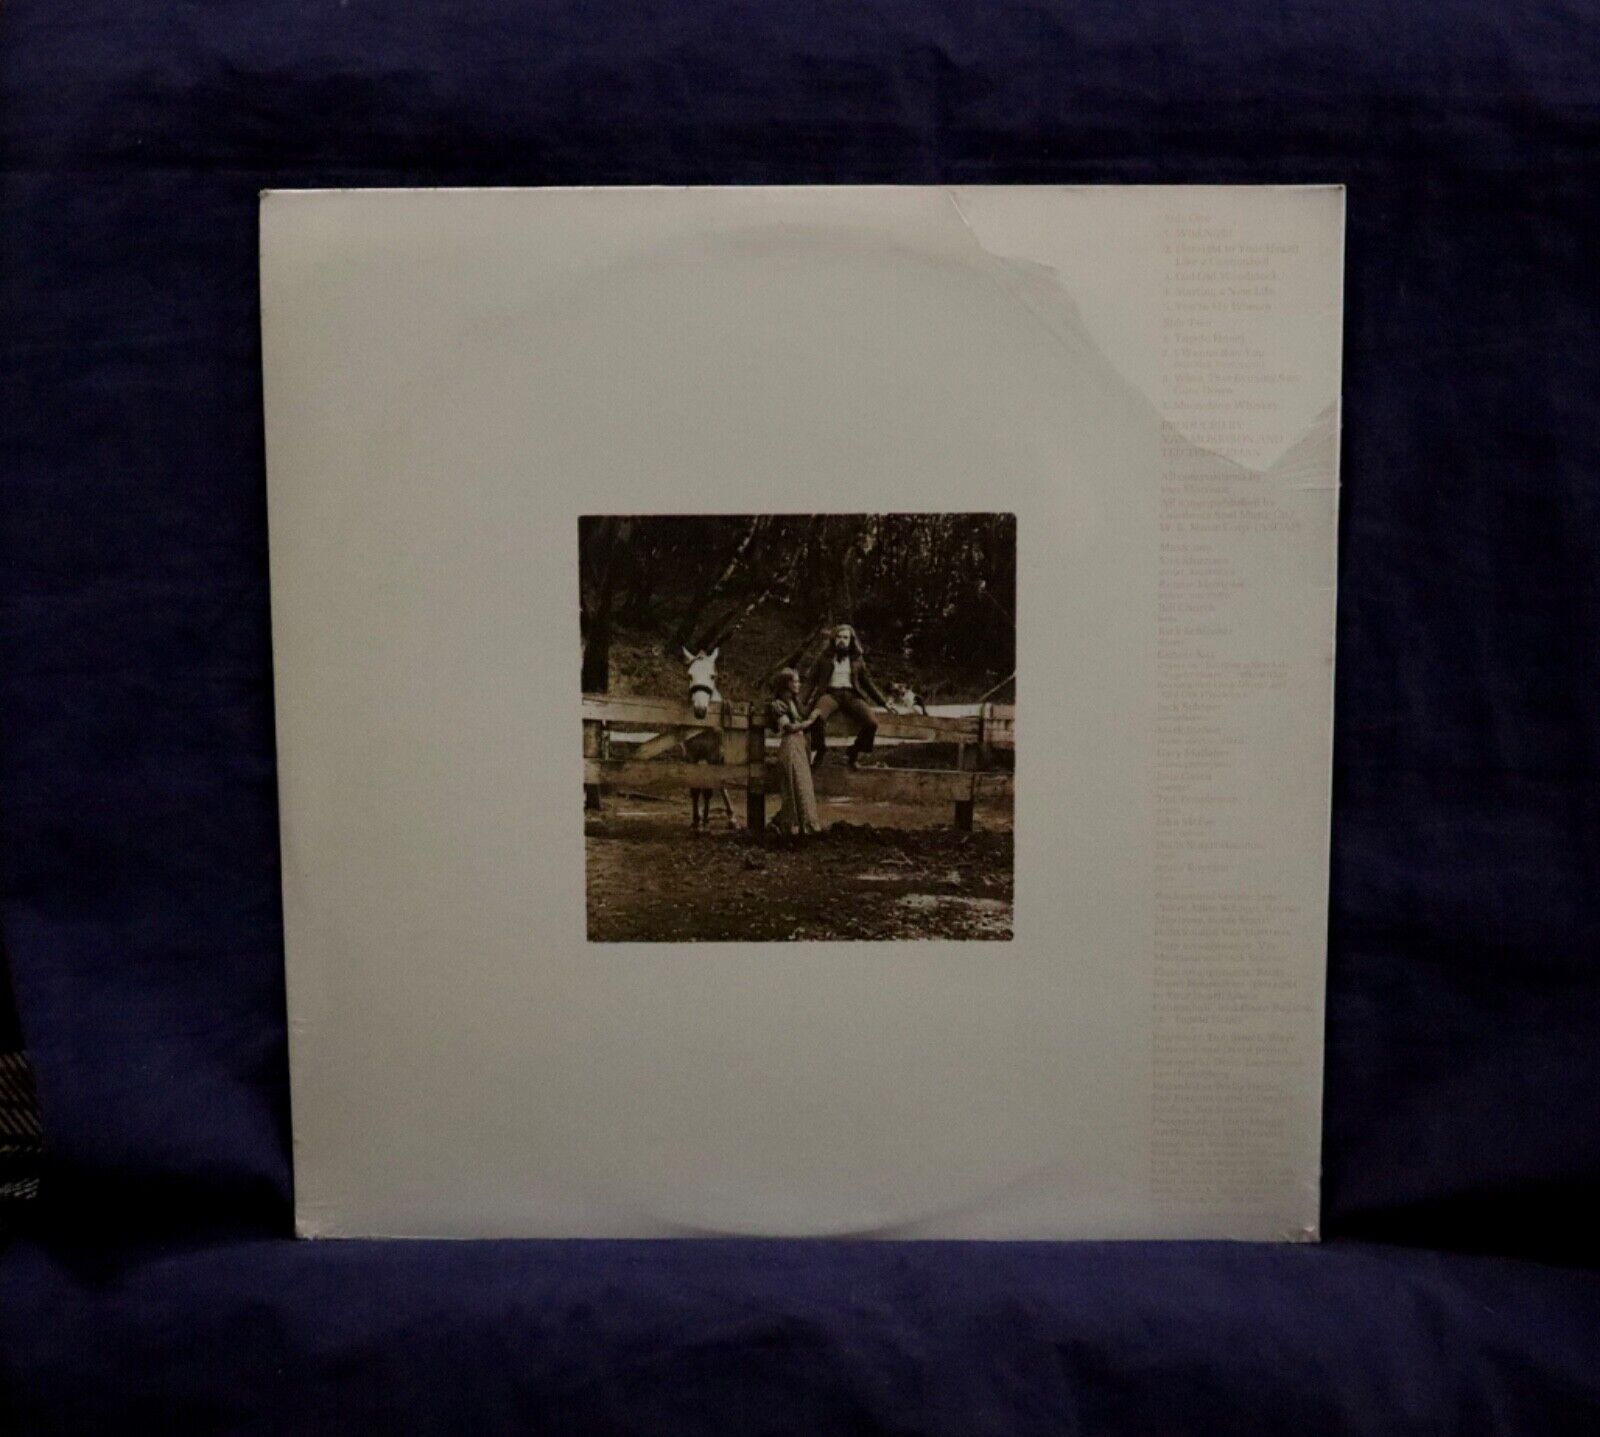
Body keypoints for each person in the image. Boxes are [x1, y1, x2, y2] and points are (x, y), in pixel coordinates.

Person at [802, 624, 891, 768]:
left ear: (851, 640)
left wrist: (884, 702)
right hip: (830, 694)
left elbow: (867, 683)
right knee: (816, 718)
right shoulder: (824, 657)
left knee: (872, 723)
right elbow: (811, 681)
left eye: (845, 637)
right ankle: (820, 749)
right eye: (839, 637)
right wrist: (800, 702)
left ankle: (854, 751)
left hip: (851, 695)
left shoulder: (857, 659)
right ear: (834, 639)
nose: (842, 640)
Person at [767, 669, 822, 837]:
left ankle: (806, 826)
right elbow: (789, 728)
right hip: (790, 746)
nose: (798, 684)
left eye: (798, 681)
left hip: (800, 745)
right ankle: (790, 826)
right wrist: (810, 721)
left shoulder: (794, 702)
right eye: (795, 681)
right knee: (793, 785)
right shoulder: (778, 705)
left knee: (803, 786)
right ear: (787, 683)